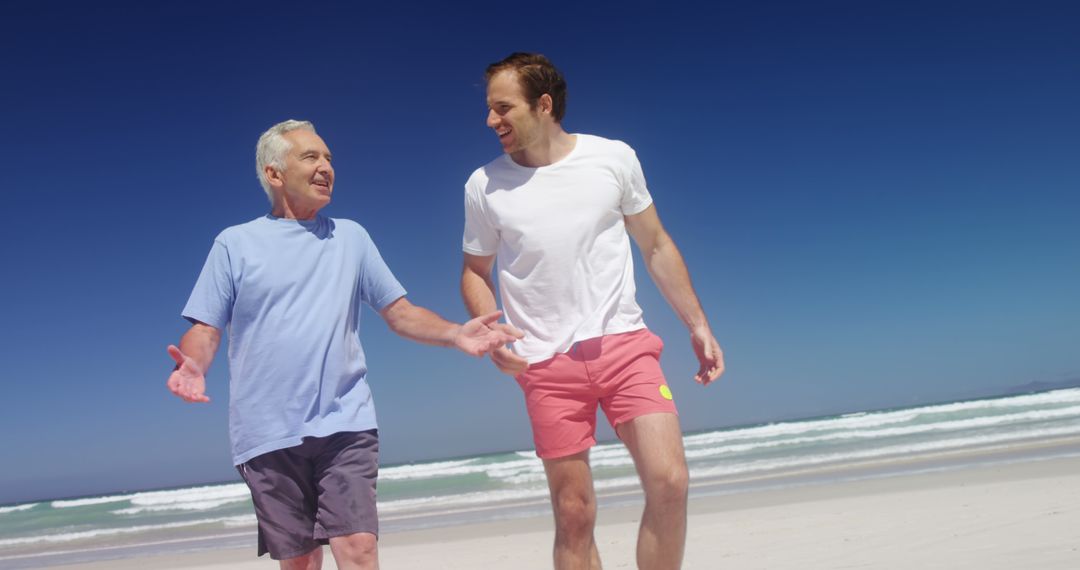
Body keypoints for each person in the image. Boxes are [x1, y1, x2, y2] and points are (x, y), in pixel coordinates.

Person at [167, 119, 520, 570]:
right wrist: (194, 365)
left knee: (358, 547)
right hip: (266, 430)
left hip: (345, 421)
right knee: (300, 562)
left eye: (329, 158)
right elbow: (206, 328)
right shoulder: (234, 244)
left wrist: (455, 332)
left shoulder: (350, 237)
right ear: (274, 174)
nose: (326, 166)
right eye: (310, 157)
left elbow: (400, 312)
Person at [461, 53, 725, 570]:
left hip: (625, 345)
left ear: (543, 104)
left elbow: (654, 244)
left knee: (670, 481)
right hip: (545, 365)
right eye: (490, 109)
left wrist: (697, 324)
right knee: (575, 512)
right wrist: (496, 335)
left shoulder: (613, 158)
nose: (491, 121)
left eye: (502, 107)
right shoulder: (484, 185)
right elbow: (475, 271)